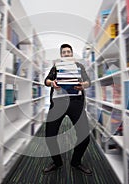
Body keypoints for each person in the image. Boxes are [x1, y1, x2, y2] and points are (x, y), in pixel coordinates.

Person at [43, 43, 92, 176]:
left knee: (84, 136)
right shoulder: (56, 67)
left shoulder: (79, 66)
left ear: (72, 54)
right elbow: (46, 80)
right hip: (58, 103)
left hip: (76, 103)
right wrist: (51, 83)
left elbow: (88, 81)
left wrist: (83, 85)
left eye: (68, 52)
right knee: (49, 136)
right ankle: (57, 162)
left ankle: (76, 162)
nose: (66, 54)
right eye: (64, 52)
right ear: (61, 55)